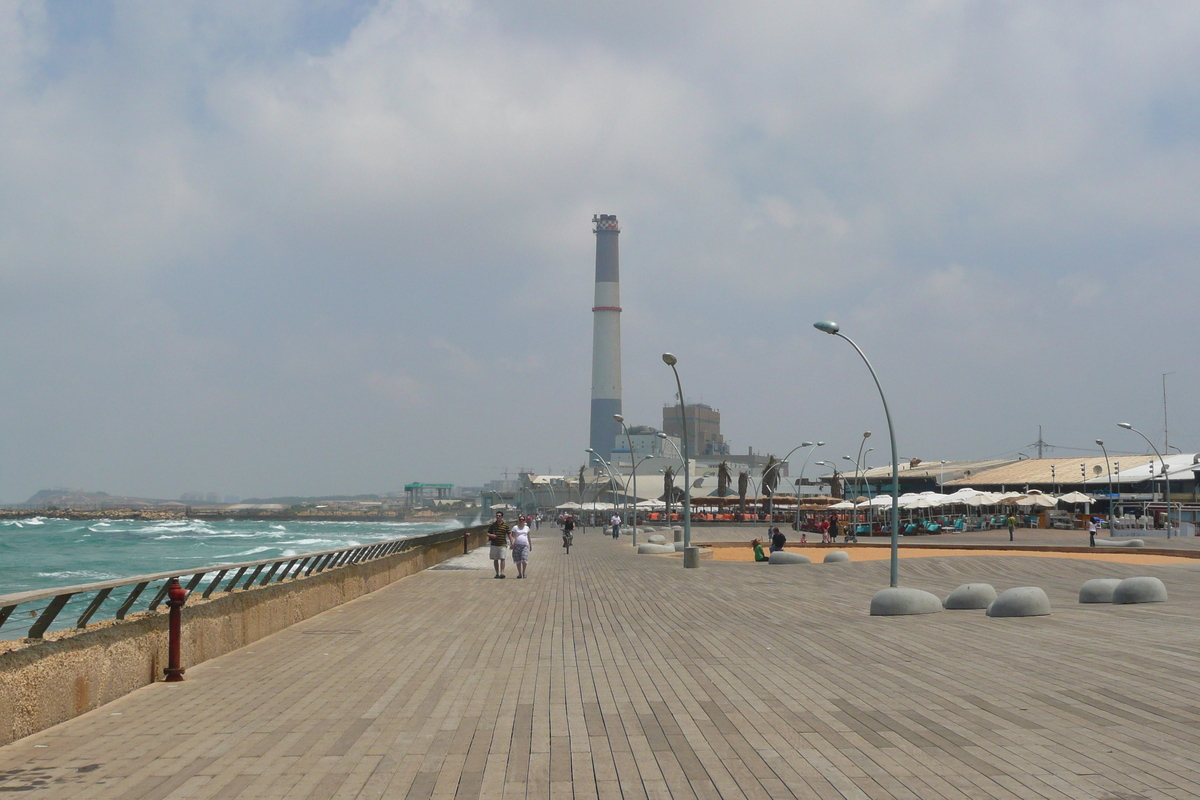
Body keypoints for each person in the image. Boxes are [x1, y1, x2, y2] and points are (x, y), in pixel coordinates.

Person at [487, 511, 510, 578]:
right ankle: (497, 573)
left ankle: (502, 573)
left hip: (503, 544)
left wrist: (512, 542)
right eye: (497, 515)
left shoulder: (505, 525)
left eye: (499, 516)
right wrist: (491, 535)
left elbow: (509, 533)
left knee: (502, 558)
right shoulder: (493, 525)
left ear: (502, 517)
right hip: (494, 544)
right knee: (495, 559)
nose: (498, 517)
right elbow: (487, 533)